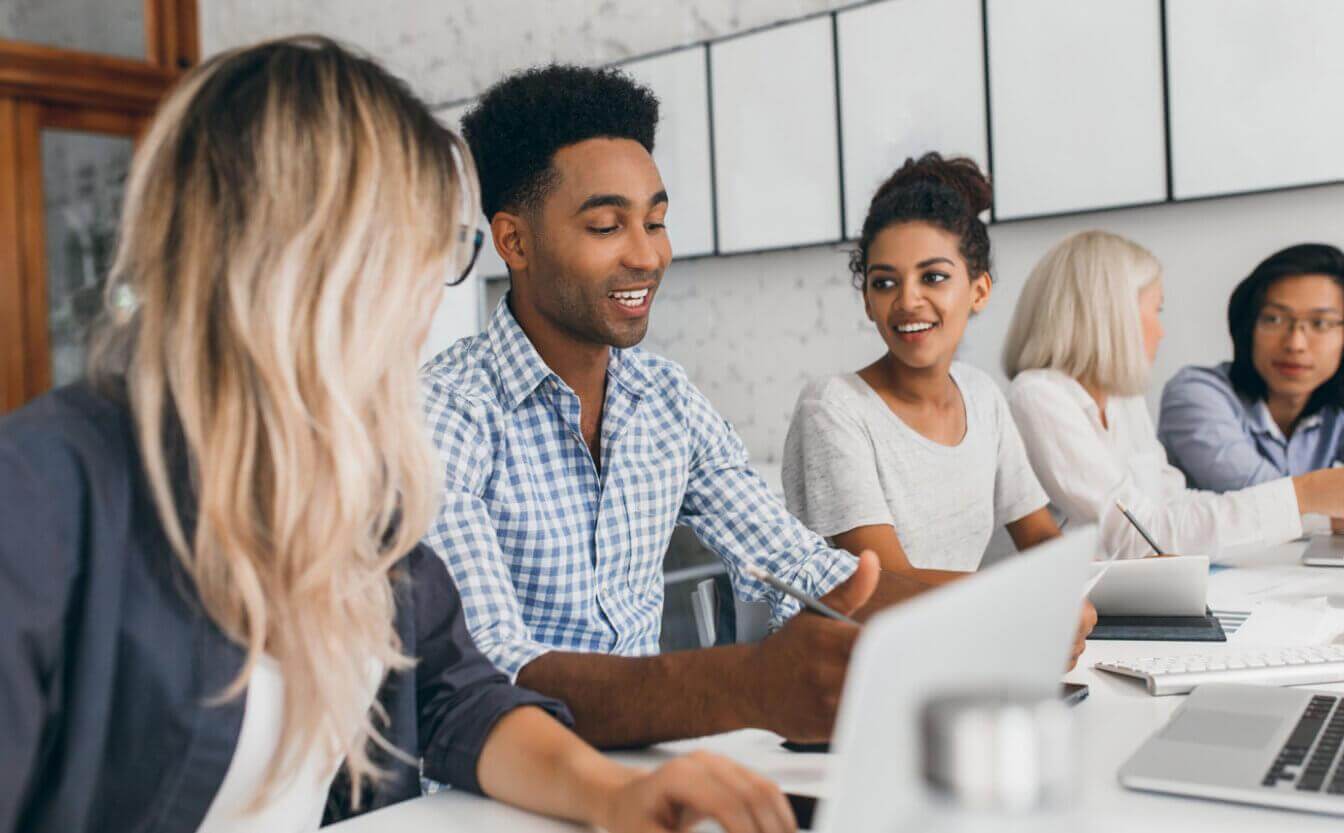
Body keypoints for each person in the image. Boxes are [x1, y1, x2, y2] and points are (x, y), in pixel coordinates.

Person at [0, 38, 797, 833]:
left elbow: (460, 697)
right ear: (297, 260)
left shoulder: (350, 488)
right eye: (417, 255)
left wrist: (614, 795)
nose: (426, 300)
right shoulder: (38, 495)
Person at [424, 66, 1059, 749]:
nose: (648, 254)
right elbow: (491, 669)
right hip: (490, 799)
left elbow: (806, 568)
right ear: (514, 242)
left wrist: (1014, 614)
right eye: (608, 226)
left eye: (657, 221)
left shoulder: (666, 401)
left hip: (644, 775)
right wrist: (746, 684)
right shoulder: (446, 413)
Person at [1003, 231, 1344, 562]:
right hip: (1084, 617)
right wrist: (1305, 495)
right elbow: (1136, 536)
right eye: (1155, 311)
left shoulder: (1123, 400)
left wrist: (1321, 517)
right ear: (1111, 317)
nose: (1161, 332)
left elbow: (1171, 504)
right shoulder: (1038, 397)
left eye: (1319, 324)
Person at [782, 153, 1066, 584]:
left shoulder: (981, 396)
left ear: (979, 290)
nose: (907, 300)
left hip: (962, 635)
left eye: (932, 277)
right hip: (867, 647)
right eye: (884, 282)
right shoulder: (833, 408)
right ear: (867, 302)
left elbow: (1040, 535)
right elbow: (889, 586)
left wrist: (1093, 584)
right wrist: (1021, 598)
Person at [1159, 243, 1344, 526]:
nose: (1295, 343)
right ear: (1248, 326)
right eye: (1274, 319)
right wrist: (1337, 510)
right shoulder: (1194, 394)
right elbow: (1256, 498)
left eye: (1320, 323)